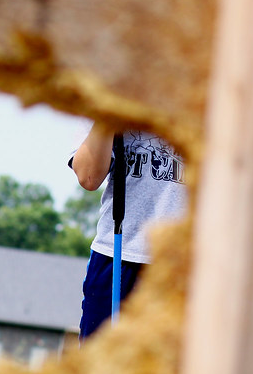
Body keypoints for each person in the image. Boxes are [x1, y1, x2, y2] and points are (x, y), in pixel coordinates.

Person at [70, 121, 187, 340]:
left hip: (187, 267)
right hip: (119, 256)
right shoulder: (113, 93)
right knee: (101, 368)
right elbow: (88, 176)